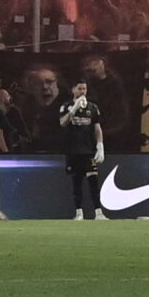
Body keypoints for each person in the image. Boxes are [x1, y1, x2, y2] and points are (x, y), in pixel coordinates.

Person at [56, 79, 105, 220]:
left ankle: (98, 213)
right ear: (73, 89)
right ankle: (79, 213)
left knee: (93, 181)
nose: (83, 91)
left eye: (84, 89)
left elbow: (97, 128)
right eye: (80, 88)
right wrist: (73, 110)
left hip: (88, 150)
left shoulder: (93, 108)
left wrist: (100, 145)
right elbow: (63, 123)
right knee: (77, 182)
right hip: (73, 150)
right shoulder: (66, 106)